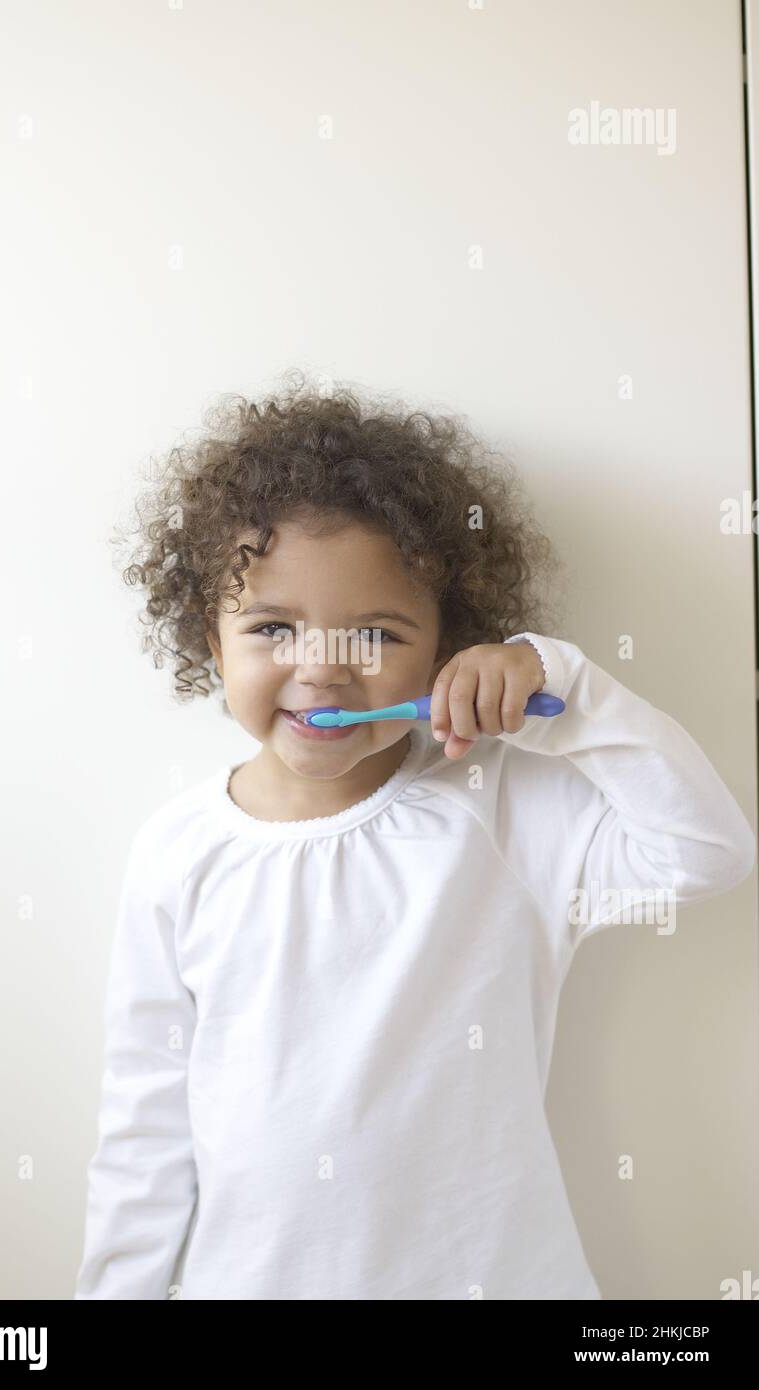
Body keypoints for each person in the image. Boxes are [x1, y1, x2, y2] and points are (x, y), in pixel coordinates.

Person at [74, 371, 755, 1300]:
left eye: (374, 635)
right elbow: (142, 1136)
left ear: (445, 650)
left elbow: (707, 852)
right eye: (272, 626)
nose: (320, 671)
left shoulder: (504, 809)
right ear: (209, 633)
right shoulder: (176, 850)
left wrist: (561, 687)